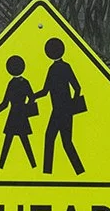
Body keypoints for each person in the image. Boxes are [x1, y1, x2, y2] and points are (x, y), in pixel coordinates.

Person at [33, 37, 84, 174]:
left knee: (55, 140)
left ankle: (50, 172)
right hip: (62, 111)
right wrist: (72, 104)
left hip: (60, 112)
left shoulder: (55, 69)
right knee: (61, 141)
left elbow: (46, 91)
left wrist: (33, 96)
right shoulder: (62, 67)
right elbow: (76, 88)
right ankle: (76, 171)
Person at [0, 55, 38, 169]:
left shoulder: (11, 83)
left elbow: (5, 103)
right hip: (22, 115)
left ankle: (1, 166)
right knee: (24, 141)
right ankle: (33, 165)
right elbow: (32, 97)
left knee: (8, 142)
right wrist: (26, 107)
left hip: (13, 116)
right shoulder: (25, 82)